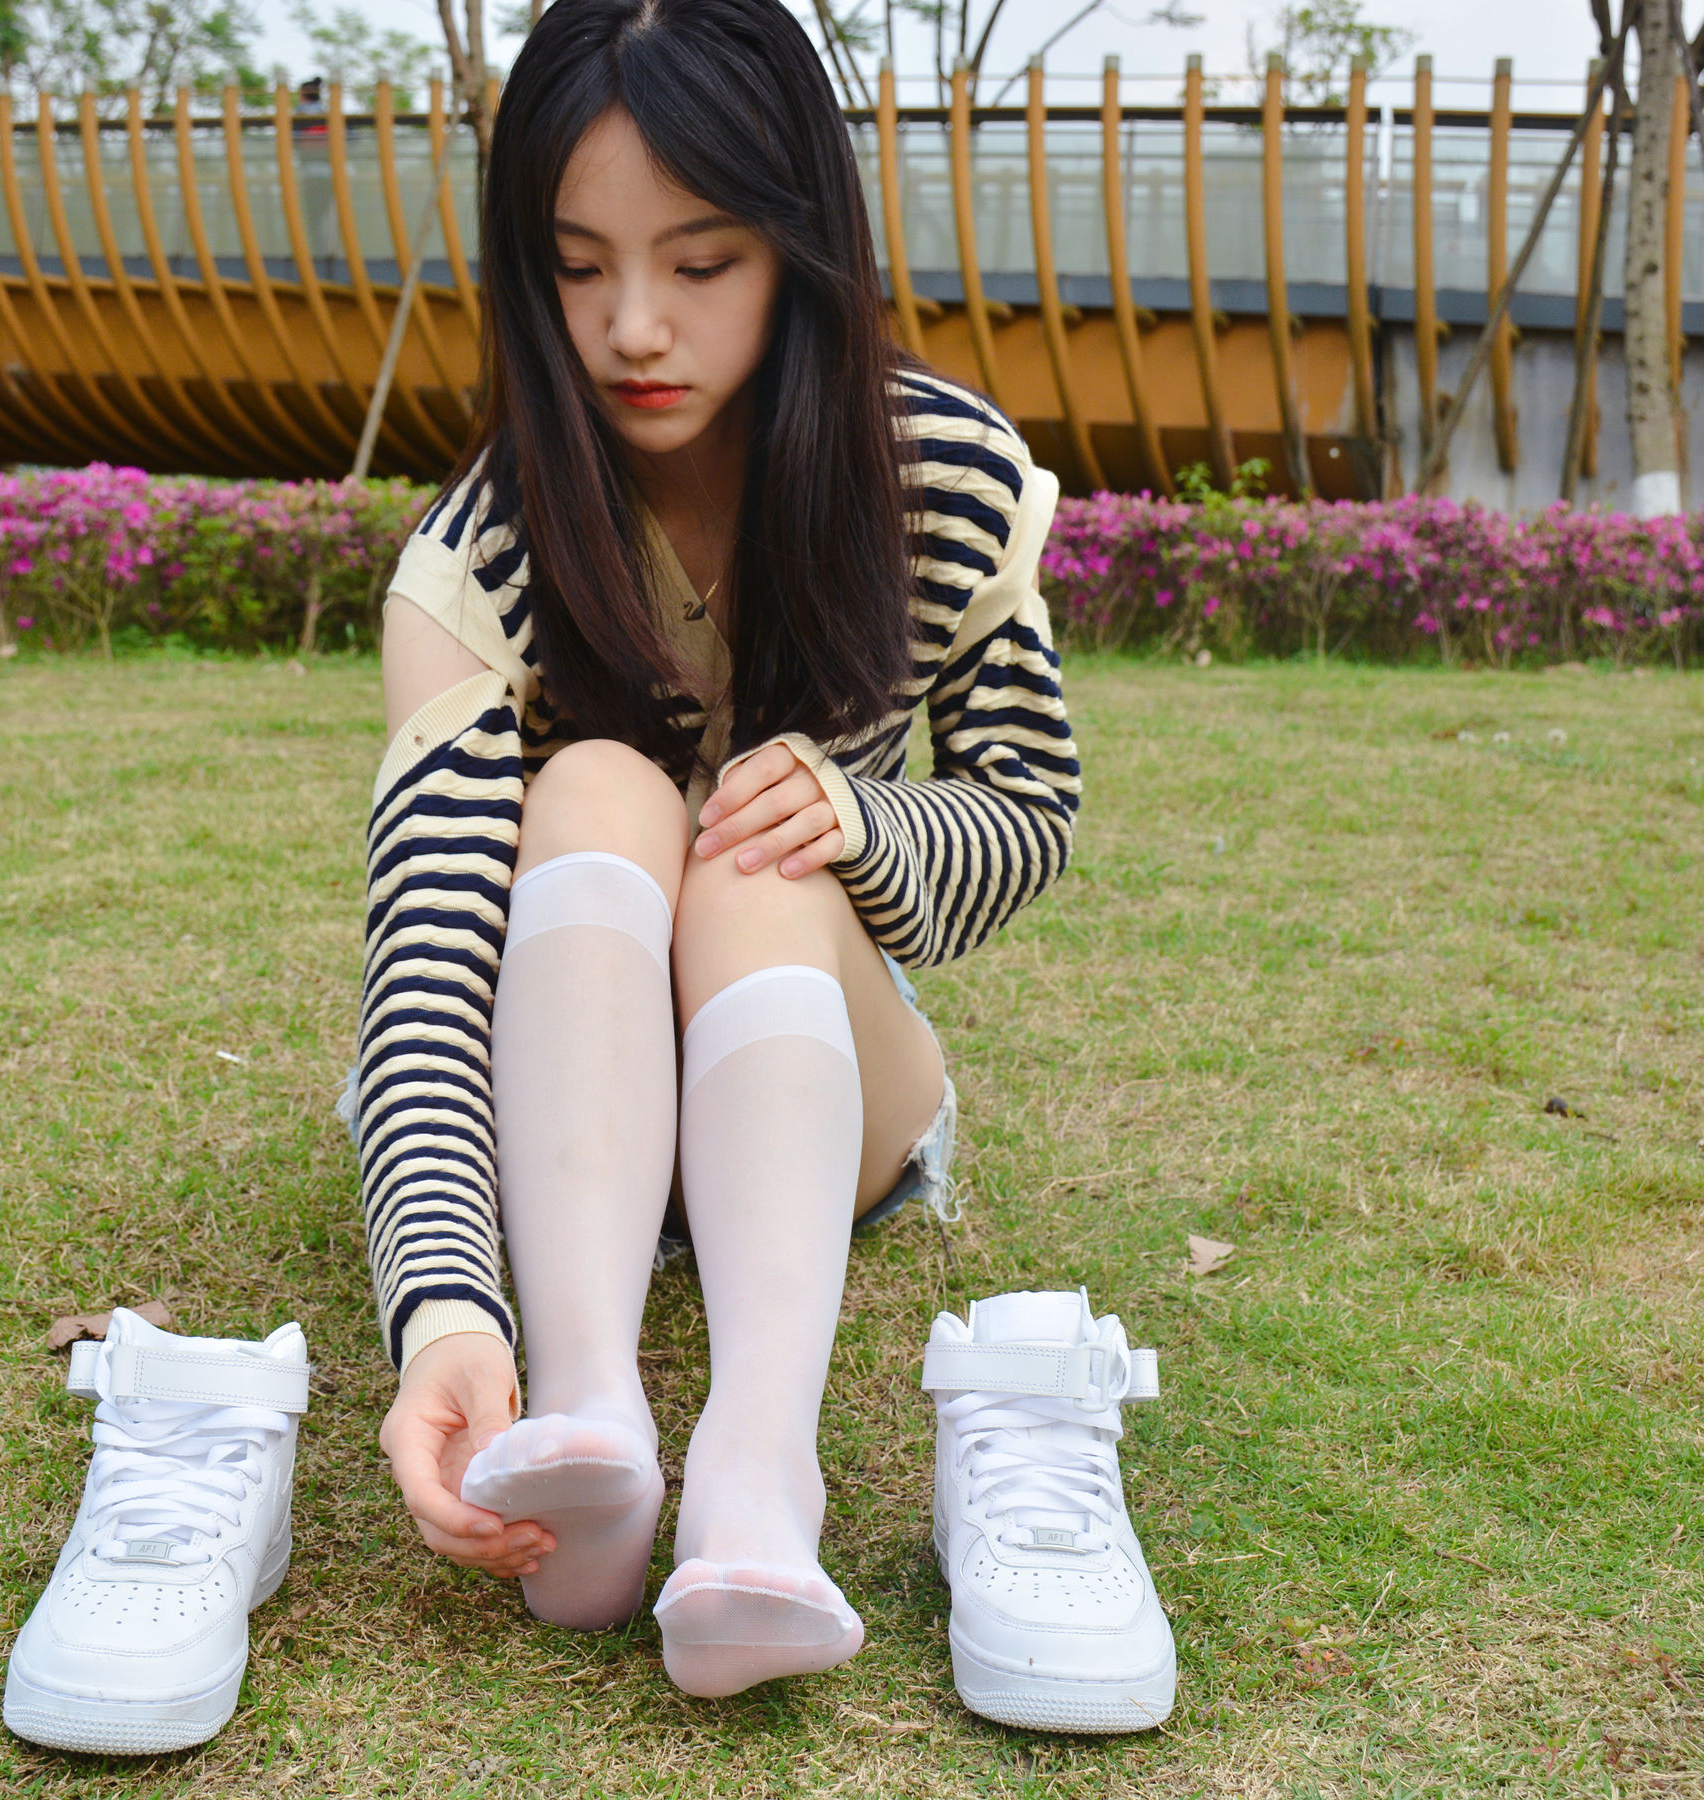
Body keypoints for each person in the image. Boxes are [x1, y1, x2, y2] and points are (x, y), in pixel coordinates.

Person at [359, 0, 1175, 1725]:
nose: (633, 328)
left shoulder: (940, 477)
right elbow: (425, 979)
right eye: (577, 268)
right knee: (597, 785)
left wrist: (860, 821)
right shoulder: (478, 560)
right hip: (566, 1120)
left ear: (801, 247)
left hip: (825, 1105)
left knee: (759, 848)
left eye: (702, 261)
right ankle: (587, 1409)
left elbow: (1029, 811)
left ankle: (757, 1469)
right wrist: (445, 1318)